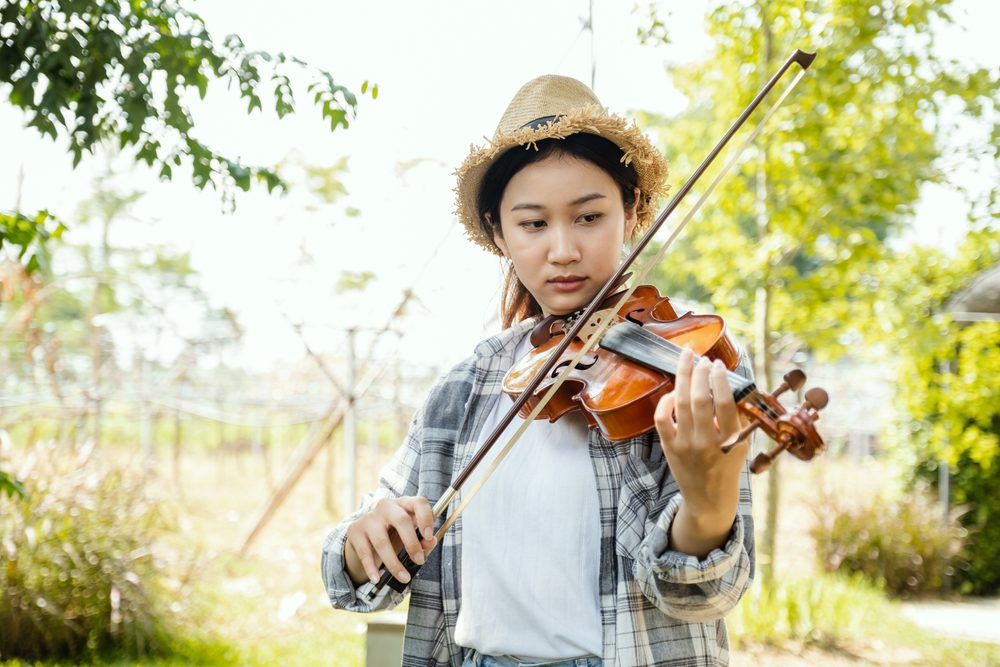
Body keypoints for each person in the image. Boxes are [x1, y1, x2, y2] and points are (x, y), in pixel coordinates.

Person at [322, 74, 754, 667]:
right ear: (499, 233)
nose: (563, 250)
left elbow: (703, 597)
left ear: (631, 213)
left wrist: (709, 505)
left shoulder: (690, 363)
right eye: (532, 224)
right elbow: (356, 577)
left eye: (588, 217)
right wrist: (362, 539)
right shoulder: (468, 384)